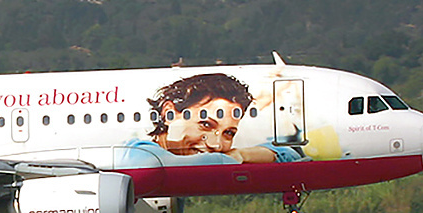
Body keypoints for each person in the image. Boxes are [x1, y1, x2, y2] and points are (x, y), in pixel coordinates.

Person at [128, 73, 302, 164]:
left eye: (229, 133)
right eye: (205, 124)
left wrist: (241, 153)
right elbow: (196, 164)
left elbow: (288, 155)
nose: (216, 145)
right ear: (169, 113)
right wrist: (232, 158)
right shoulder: (138, 153)